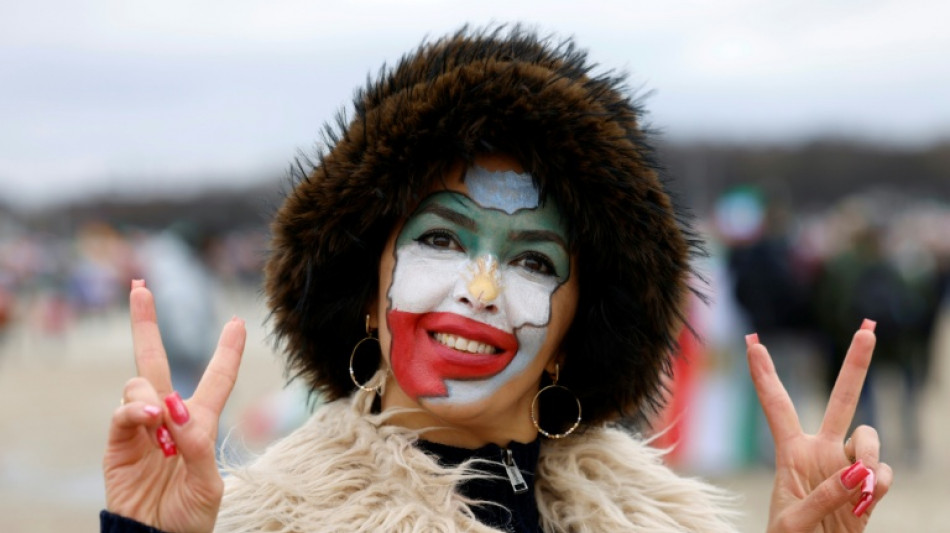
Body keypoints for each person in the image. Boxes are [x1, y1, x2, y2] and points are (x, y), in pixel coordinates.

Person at [101, 27, 892, 532]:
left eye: (533, 261)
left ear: (570, 336)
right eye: (443, 238)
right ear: (371, 295)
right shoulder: (269, 524)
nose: (481, 287)